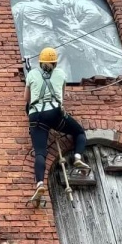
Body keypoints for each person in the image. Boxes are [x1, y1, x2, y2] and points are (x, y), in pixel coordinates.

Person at [26, 47, 88, 200]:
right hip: (54, 113)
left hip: (35, 116)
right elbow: (61, 97)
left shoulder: (32, 74)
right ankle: (78, 157)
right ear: (55, 62)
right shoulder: (60, 74)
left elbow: (26, 99)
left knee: (40, 152)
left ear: (40, 62)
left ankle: (40, 183)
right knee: (79, 132)